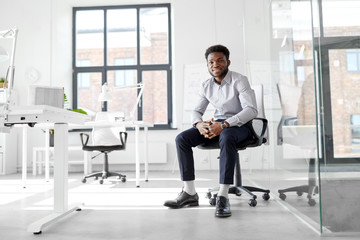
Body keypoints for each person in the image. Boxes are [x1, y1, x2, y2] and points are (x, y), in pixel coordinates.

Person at [164, 45, 258, 217]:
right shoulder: (206, 85)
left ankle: (222, 196)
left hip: (241, 126)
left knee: (227, 135)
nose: (215, 64)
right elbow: (196, 111)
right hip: (218, 125)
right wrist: (199, 124)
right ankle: (189, 193)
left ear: (228, 62)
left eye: (220, 60)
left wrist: (223, 125)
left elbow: (251, 110)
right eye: (211, 62)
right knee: (182, 139)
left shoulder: (240, 80)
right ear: (207, 65)